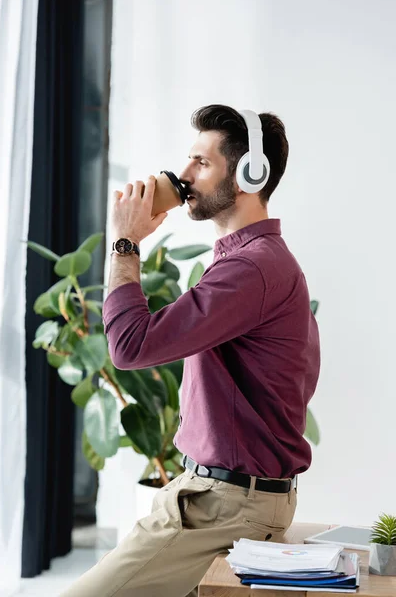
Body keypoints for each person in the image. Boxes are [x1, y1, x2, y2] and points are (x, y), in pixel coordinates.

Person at [61, 104, 320, 597]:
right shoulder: (251, 262)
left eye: (201, 162)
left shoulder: (252, 270)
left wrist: (125, 244)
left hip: (223, 505)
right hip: (211, 494)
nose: (182, 177)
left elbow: (130, 347)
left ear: (250, 173)